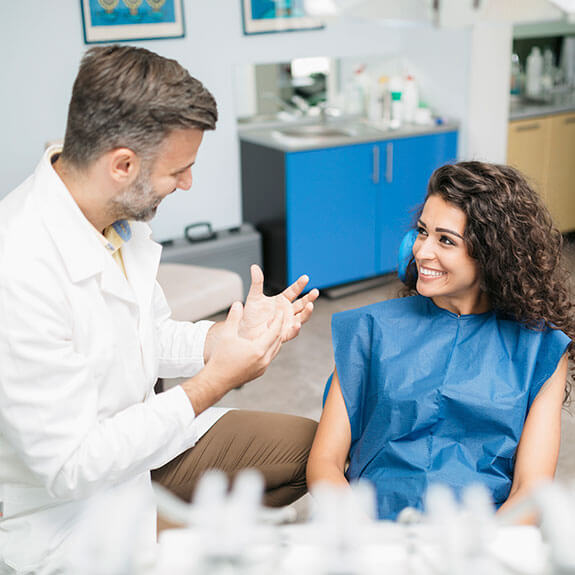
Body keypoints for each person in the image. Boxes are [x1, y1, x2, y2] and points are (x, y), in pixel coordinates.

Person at [0, 45, 319, 573]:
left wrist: (222, 340)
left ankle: (178, 530)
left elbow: (148, 334)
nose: (188, 183)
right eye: (181, 170)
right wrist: (212, 383)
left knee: (313, 451)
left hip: (142, 446)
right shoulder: (19, 269)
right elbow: (70, 468)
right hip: (66, 504)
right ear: (122, 164)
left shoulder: (113, 222)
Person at [307, 161, 574, 521]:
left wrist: (474, 553)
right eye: (422, 232)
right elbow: (324, 464)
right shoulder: (370, 329)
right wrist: (368, 537)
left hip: (480, 537)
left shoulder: (540, 350)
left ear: (492, 253)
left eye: (445, 240)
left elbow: (531, 490)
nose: (422, 251)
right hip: (371, 530)